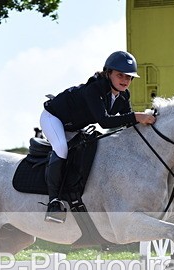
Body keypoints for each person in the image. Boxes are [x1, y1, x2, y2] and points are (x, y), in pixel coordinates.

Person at [39, 50, 156, 223]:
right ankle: (54, 202)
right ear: (108, 73)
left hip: (75, 126)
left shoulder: (123, 95)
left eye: (129, 77)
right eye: (120, 75)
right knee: (62, 148)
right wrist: (137, 117)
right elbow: (105, 122)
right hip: (53, 118)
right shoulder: (94, 89)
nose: (125, 80)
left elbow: (127, 122)